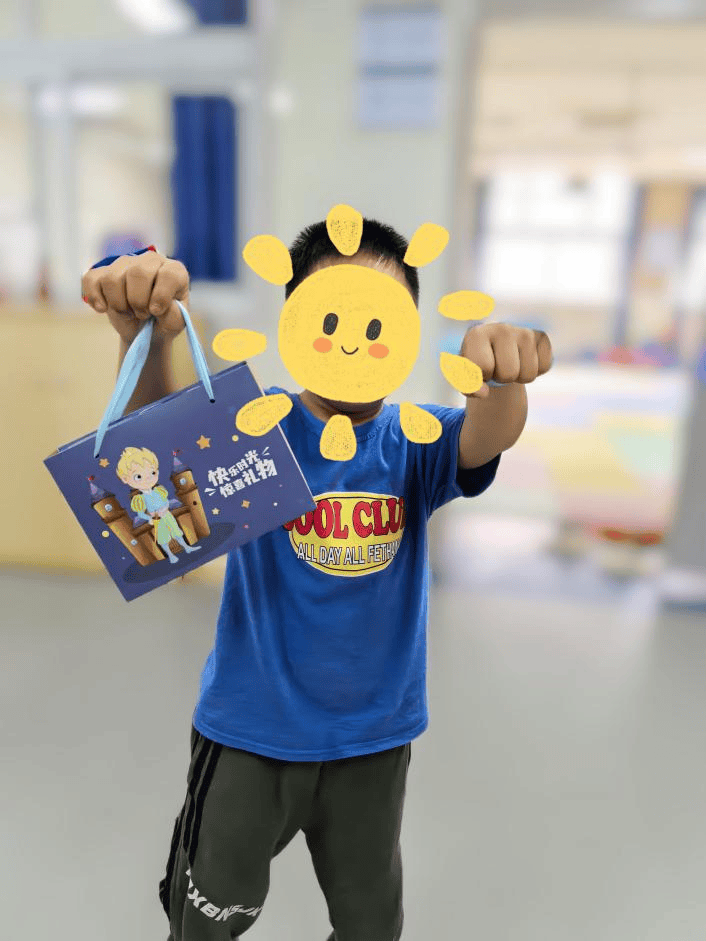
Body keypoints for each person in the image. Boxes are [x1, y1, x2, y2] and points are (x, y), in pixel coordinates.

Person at [82, 218, 553, 941]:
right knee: (205, 919)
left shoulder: (415, 442)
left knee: (370, 923)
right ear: (296, 324)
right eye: (331, 317)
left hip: (373, 741)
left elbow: (488, 435)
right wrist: (148, 334)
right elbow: (154, 458)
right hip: (249, 734)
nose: (352, 339)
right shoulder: (255, 430)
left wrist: (500, 377)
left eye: (376, 319)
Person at [116, 445, 201, 564]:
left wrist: (165, 508)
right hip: (157, 519)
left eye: (152, 472)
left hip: (166, 514)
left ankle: (187, 547)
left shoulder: (158, 491)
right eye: (138, 476)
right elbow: (140, 514)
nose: (147, 479)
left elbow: (165, 501)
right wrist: (150, 518)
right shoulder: (140, 499)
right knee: (163, 538)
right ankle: (171, 555)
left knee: (176, 531)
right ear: (125, 479)